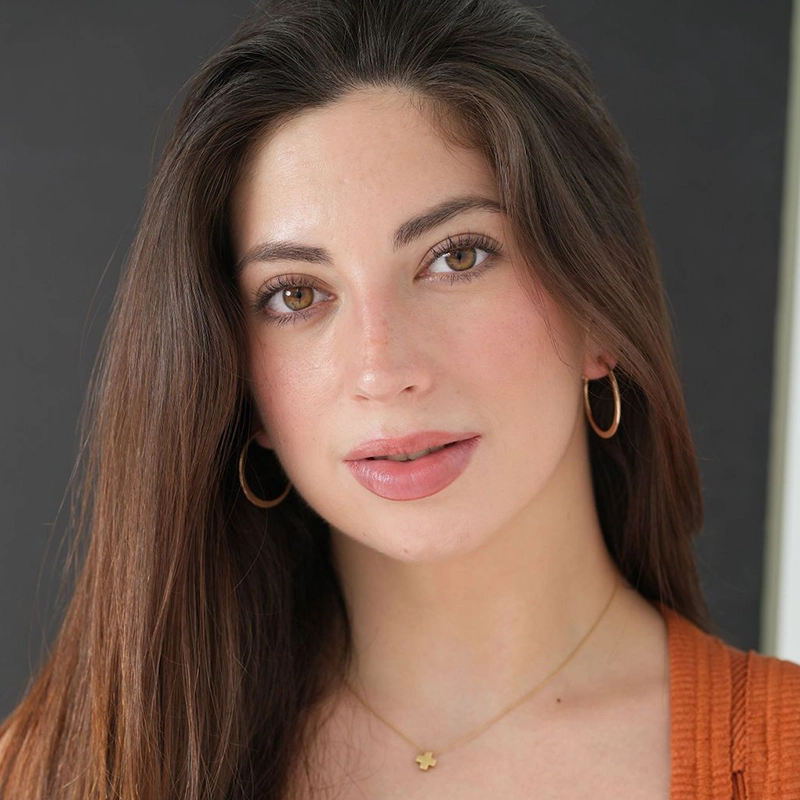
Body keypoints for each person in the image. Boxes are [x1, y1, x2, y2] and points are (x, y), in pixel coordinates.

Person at [1, 0, 798, 797]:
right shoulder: (60, 769)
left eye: (457, 256)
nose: (383, 369)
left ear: (600, 308)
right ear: (240, 388)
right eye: (295, 295)